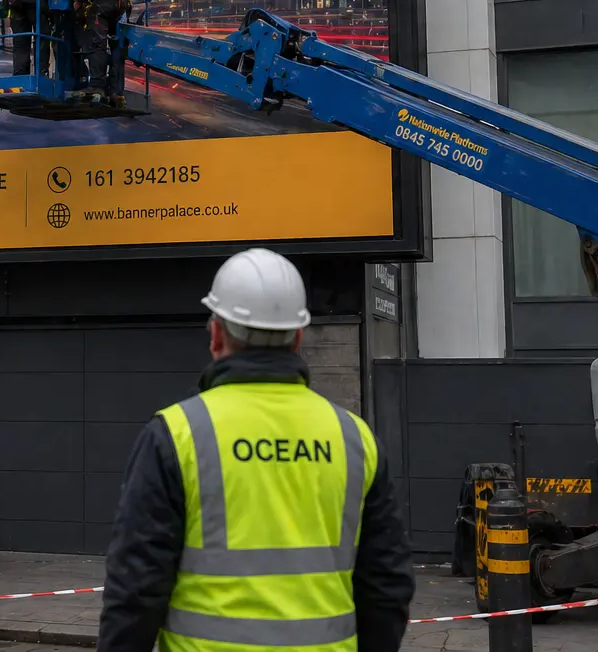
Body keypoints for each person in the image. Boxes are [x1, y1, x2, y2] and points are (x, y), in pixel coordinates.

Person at [98, 248, 414, 652]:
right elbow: (388, 587)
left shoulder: (176, 436)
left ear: (215, 335)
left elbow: (136, 592)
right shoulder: (354, 438)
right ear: (298, 338)